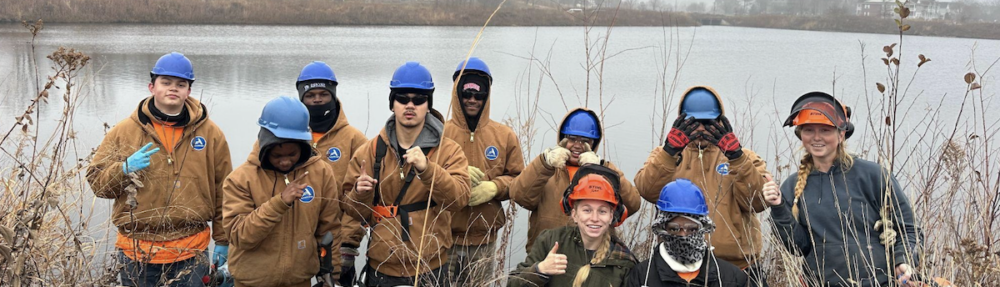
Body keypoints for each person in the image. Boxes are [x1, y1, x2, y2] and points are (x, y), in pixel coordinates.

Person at [86, 52, 231, 286]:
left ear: (188, 91)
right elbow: (98, 186)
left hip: (191, 251)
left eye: (181, 84)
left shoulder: (210, 133)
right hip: (137, 251)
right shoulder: (124, 131)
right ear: (152, 87)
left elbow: (224, 188)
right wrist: (122, 170)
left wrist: (223, 238)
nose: (173, 89)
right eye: (166, 82)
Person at [768, 92, 923, 287]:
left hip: (878, 282)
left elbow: (909, 229)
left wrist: (904, 260)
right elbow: (797, 247)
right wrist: (778, 207)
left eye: (825, 130)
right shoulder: (792, 186)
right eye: (808, 130)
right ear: (800, 134)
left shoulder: (873, 175)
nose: (816, 138)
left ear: (841, 134)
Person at [341, 61, 471, 286]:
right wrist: (359, 193)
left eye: (419, 99)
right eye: (402, 98)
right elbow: (353, 212)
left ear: (428, 105)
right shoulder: (370, 151)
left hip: (430, 267)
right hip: (382, 267)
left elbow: (459, 200)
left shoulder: (448, 150)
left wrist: (428, 170)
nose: (410, 105)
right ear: (392, 104)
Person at [633, 86, 770, 283]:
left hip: (739, 267)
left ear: (720, 121)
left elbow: (758, 203)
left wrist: (736, 157)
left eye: (707, 122)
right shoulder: (664, 155)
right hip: (680, 265)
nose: (700, 129)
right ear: (681, 121)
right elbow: (647, 191)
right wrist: (670, 153)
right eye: (693, 122)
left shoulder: (744, 158)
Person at [222, 96, 343, 287]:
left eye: (292, 154)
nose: (285, 161)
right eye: (277, 155)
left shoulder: (321, 173)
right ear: (265, 144)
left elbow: (329, 229)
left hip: (300, 280)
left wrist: (331, 274)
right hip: (251, 282)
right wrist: (279, 203)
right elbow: (239, 236)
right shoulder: (241, 179)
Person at [511, 108, 642, 252]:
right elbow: (519, 196)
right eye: (572, 139)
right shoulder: (546, 169)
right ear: (562, 138)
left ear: (594, 143)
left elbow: (633, 204)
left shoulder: (605, 172)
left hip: (592, 256)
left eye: (585, 141)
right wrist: (544, 163)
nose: (578, 145)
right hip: (546, 255)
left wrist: (602, 168)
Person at [444, 57, 525, 285]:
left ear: (486, 95)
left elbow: (520, 180)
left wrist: (495, 187)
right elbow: (421, 178)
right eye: (466, 94)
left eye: (479, 94)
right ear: (456, 93)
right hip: (443, 238)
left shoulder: (504, 135)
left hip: (484, 241)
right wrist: (453, 175)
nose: (472, 100)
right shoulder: (439, 133)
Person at [294, 61, 369, 286]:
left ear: (333, 95)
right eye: (310, 95)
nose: (317, 100)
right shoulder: (289, 136)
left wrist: (348, 243)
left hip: (338, 243)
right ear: (301, 98)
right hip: (296, 241)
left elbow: (361, 199)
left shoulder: (355, 140)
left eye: (323, 94)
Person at [508, 165, 637, 287]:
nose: (594, 218)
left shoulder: (623, 262)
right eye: (587, 210)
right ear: (574, 214)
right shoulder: (550, 240)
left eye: (602, 211)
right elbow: (512, 283)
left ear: (611, 216)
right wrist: (539, 270)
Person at [624, 178, 748, 287]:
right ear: (662, 229)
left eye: (692, 229)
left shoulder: (731, 278)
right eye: (674, 229)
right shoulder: (642, 276)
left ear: (703, 228)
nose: (683, 235)